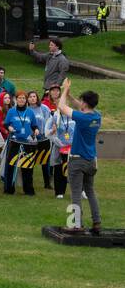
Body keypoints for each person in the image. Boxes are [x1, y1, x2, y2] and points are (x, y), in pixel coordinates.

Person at [58, 80, 102, 235]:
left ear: (85, 104)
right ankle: (97, 222)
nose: (80, 103)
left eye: (82, 101)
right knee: (90, 191)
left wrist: (64, 91)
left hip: (77, 160)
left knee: (76, 192)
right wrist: (70, 95)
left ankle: (76, 225)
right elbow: (79, 106)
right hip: (91, 160)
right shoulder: (97, 116)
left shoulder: (83, 119)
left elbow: (62, 108)